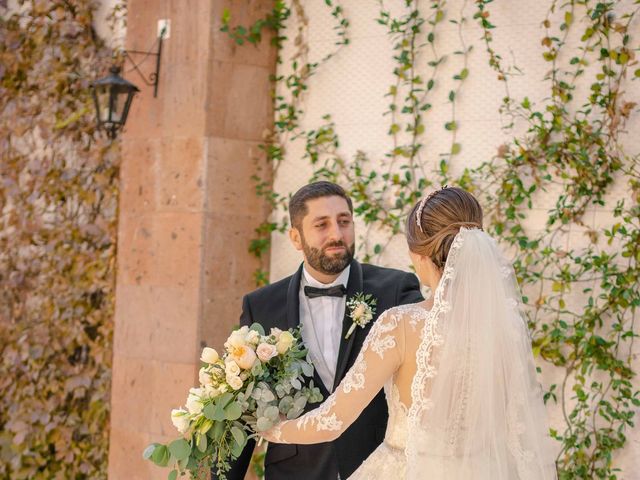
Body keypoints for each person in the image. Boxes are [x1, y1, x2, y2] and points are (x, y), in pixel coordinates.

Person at [261, 186, 558, 479]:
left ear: (418, 253)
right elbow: (516, 425)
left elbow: (332, 421)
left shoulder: (401, 324)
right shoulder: (504, 327)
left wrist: (271, 429)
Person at [217, 181, 423, 480]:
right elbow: (242, 407)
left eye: (344, 222)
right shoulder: (260, 306)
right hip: (294, 472)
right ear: (296, 237)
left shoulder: (395, 290)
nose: (337, 234)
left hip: (376, 468)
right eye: (321, 225)